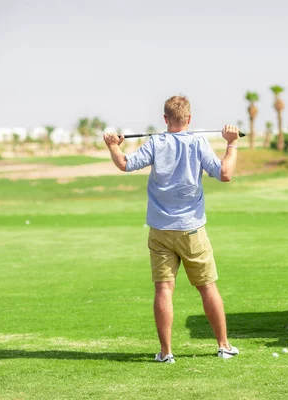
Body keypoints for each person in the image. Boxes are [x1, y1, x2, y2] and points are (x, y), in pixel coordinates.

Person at [103, 95, 240, 362]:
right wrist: (232, 143)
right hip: (192, 230)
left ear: (165, 119)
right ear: (189, 119)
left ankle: (166, 353)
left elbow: (124, 164)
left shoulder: (155, 142)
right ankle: (223, 346)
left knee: (164, 289)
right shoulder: (198, 141)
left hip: (160, 230)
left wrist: (112, 145)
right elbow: (225, 173)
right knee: (207, 287)